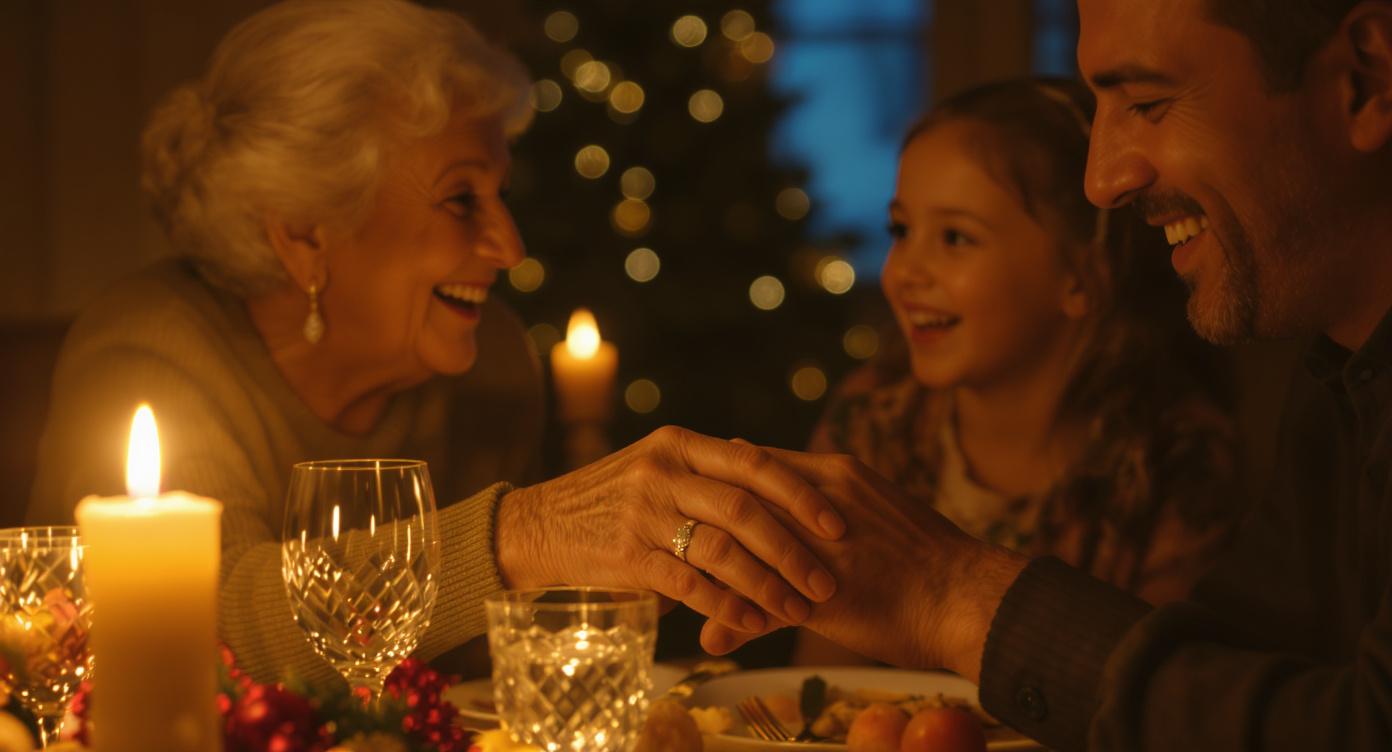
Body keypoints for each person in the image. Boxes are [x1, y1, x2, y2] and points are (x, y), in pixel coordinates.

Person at [27, 0, 846, 686]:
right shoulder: (151, 352)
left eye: (501, 193)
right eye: (462, 200)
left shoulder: (490, 360)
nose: (511, 246)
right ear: (307, 233)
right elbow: (205, 630)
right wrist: (521, 534)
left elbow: (479, 669)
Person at [704, 0, 1392, 749]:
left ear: (1366, 80)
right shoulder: (1340, 383)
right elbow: (1225, 674)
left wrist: (949, 595)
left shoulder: (1171, 454)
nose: (1102, 181)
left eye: (1149, 102)